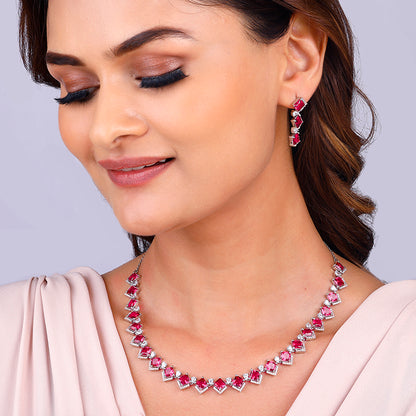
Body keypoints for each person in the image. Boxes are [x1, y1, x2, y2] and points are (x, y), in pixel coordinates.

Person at [1, 0, 415, 415]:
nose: (104, 130)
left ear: (297, 59)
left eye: (157, 74)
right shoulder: (15, 342)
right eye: (77, 89)